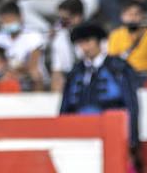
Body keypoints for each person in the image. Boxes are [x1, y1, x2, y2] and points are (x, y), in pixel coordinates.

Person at [59, 21, 141, 152]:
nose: (84, 48)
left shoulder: (118, 68)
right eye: (80, 43)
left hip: (112, 134)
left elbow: (131, 105)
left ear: (99, 42)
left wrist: (132, 141)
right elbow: (65, 107)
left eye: (88, 42)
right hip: (81, 136)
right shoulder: (75, 72)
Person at [0, 1, 45, 89]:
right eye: (5, 20)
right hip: (6, 71)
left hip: (26, 72)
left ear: (20, 18)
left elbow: (33, 64)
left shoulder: (33, 36)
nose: (8, 23)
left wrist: (18, 69)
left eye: (10, 20)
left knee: (35, 74)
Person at [106, 0, 147, 80]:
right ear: (122, 16)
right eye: (129, 14)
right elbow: (112, 60)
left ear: (142, 16)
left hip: (146, 76)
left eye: (136, 14)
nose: (133, 18)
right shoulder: (115, 35)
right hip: (123, 77)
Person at [48, 0, 84, 94]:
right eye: (59, 19)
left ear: (77, 18)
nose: (60, 23)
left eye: (64, 19)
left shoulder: (94, 36)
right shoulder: (59, 37)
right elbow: (57, 71)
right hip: (69, 78)